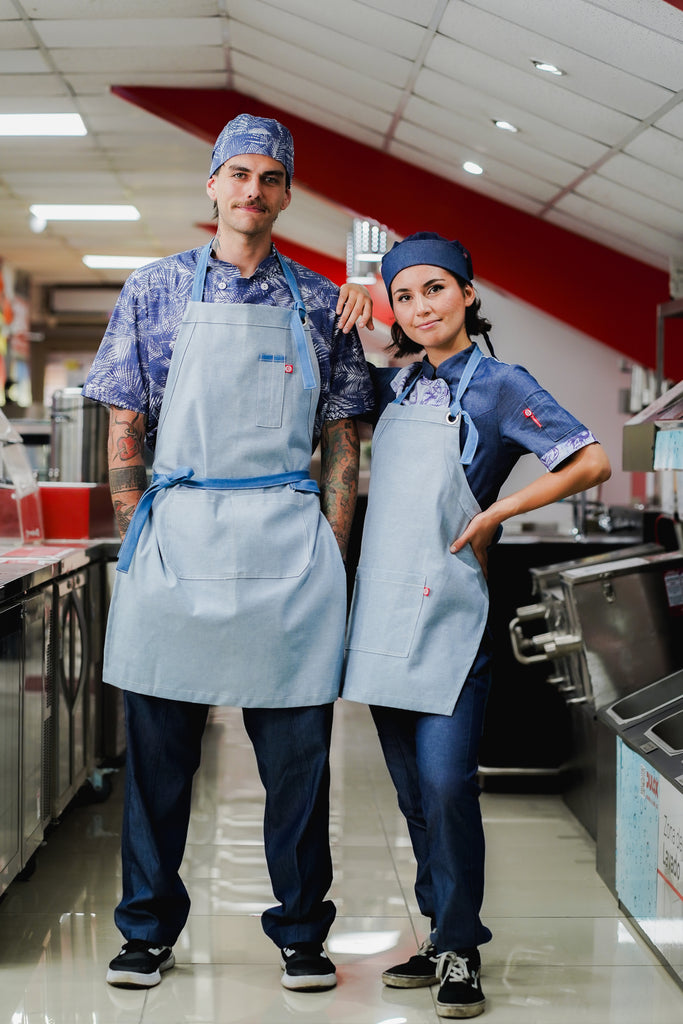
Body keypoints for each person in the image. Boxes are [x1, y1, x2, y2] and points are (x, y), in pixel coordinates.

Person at [82, 113, 375, 992]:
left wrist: (330, 548)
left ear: (286, 194)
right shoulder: (154, 289)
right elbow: (126, 421)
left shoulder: (322, 302)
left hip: (287, 549)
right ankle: (145, 931)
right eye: (238, 174)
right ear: (212, 185)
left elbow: (343, 441)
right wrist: (141, 529)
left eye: (270, 178)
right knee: (159, 767)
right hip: (178, 541)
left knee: (296, 770)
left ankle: (299, 934)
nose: (253, 190)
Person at [342, 232, 611, 1018]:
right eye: (404, 295)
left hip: (451, 611)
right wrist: (349, 301)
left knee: (447, 783)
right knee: (412, 794)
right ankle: (440, 932)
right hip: (381, 609)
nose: (420, 306)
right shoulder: (389, 388)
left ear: (465, 292)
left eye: (434, 289)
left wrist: (499, 508)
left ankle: (461, 948)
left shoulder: (498, 384)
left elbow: (586, 458)